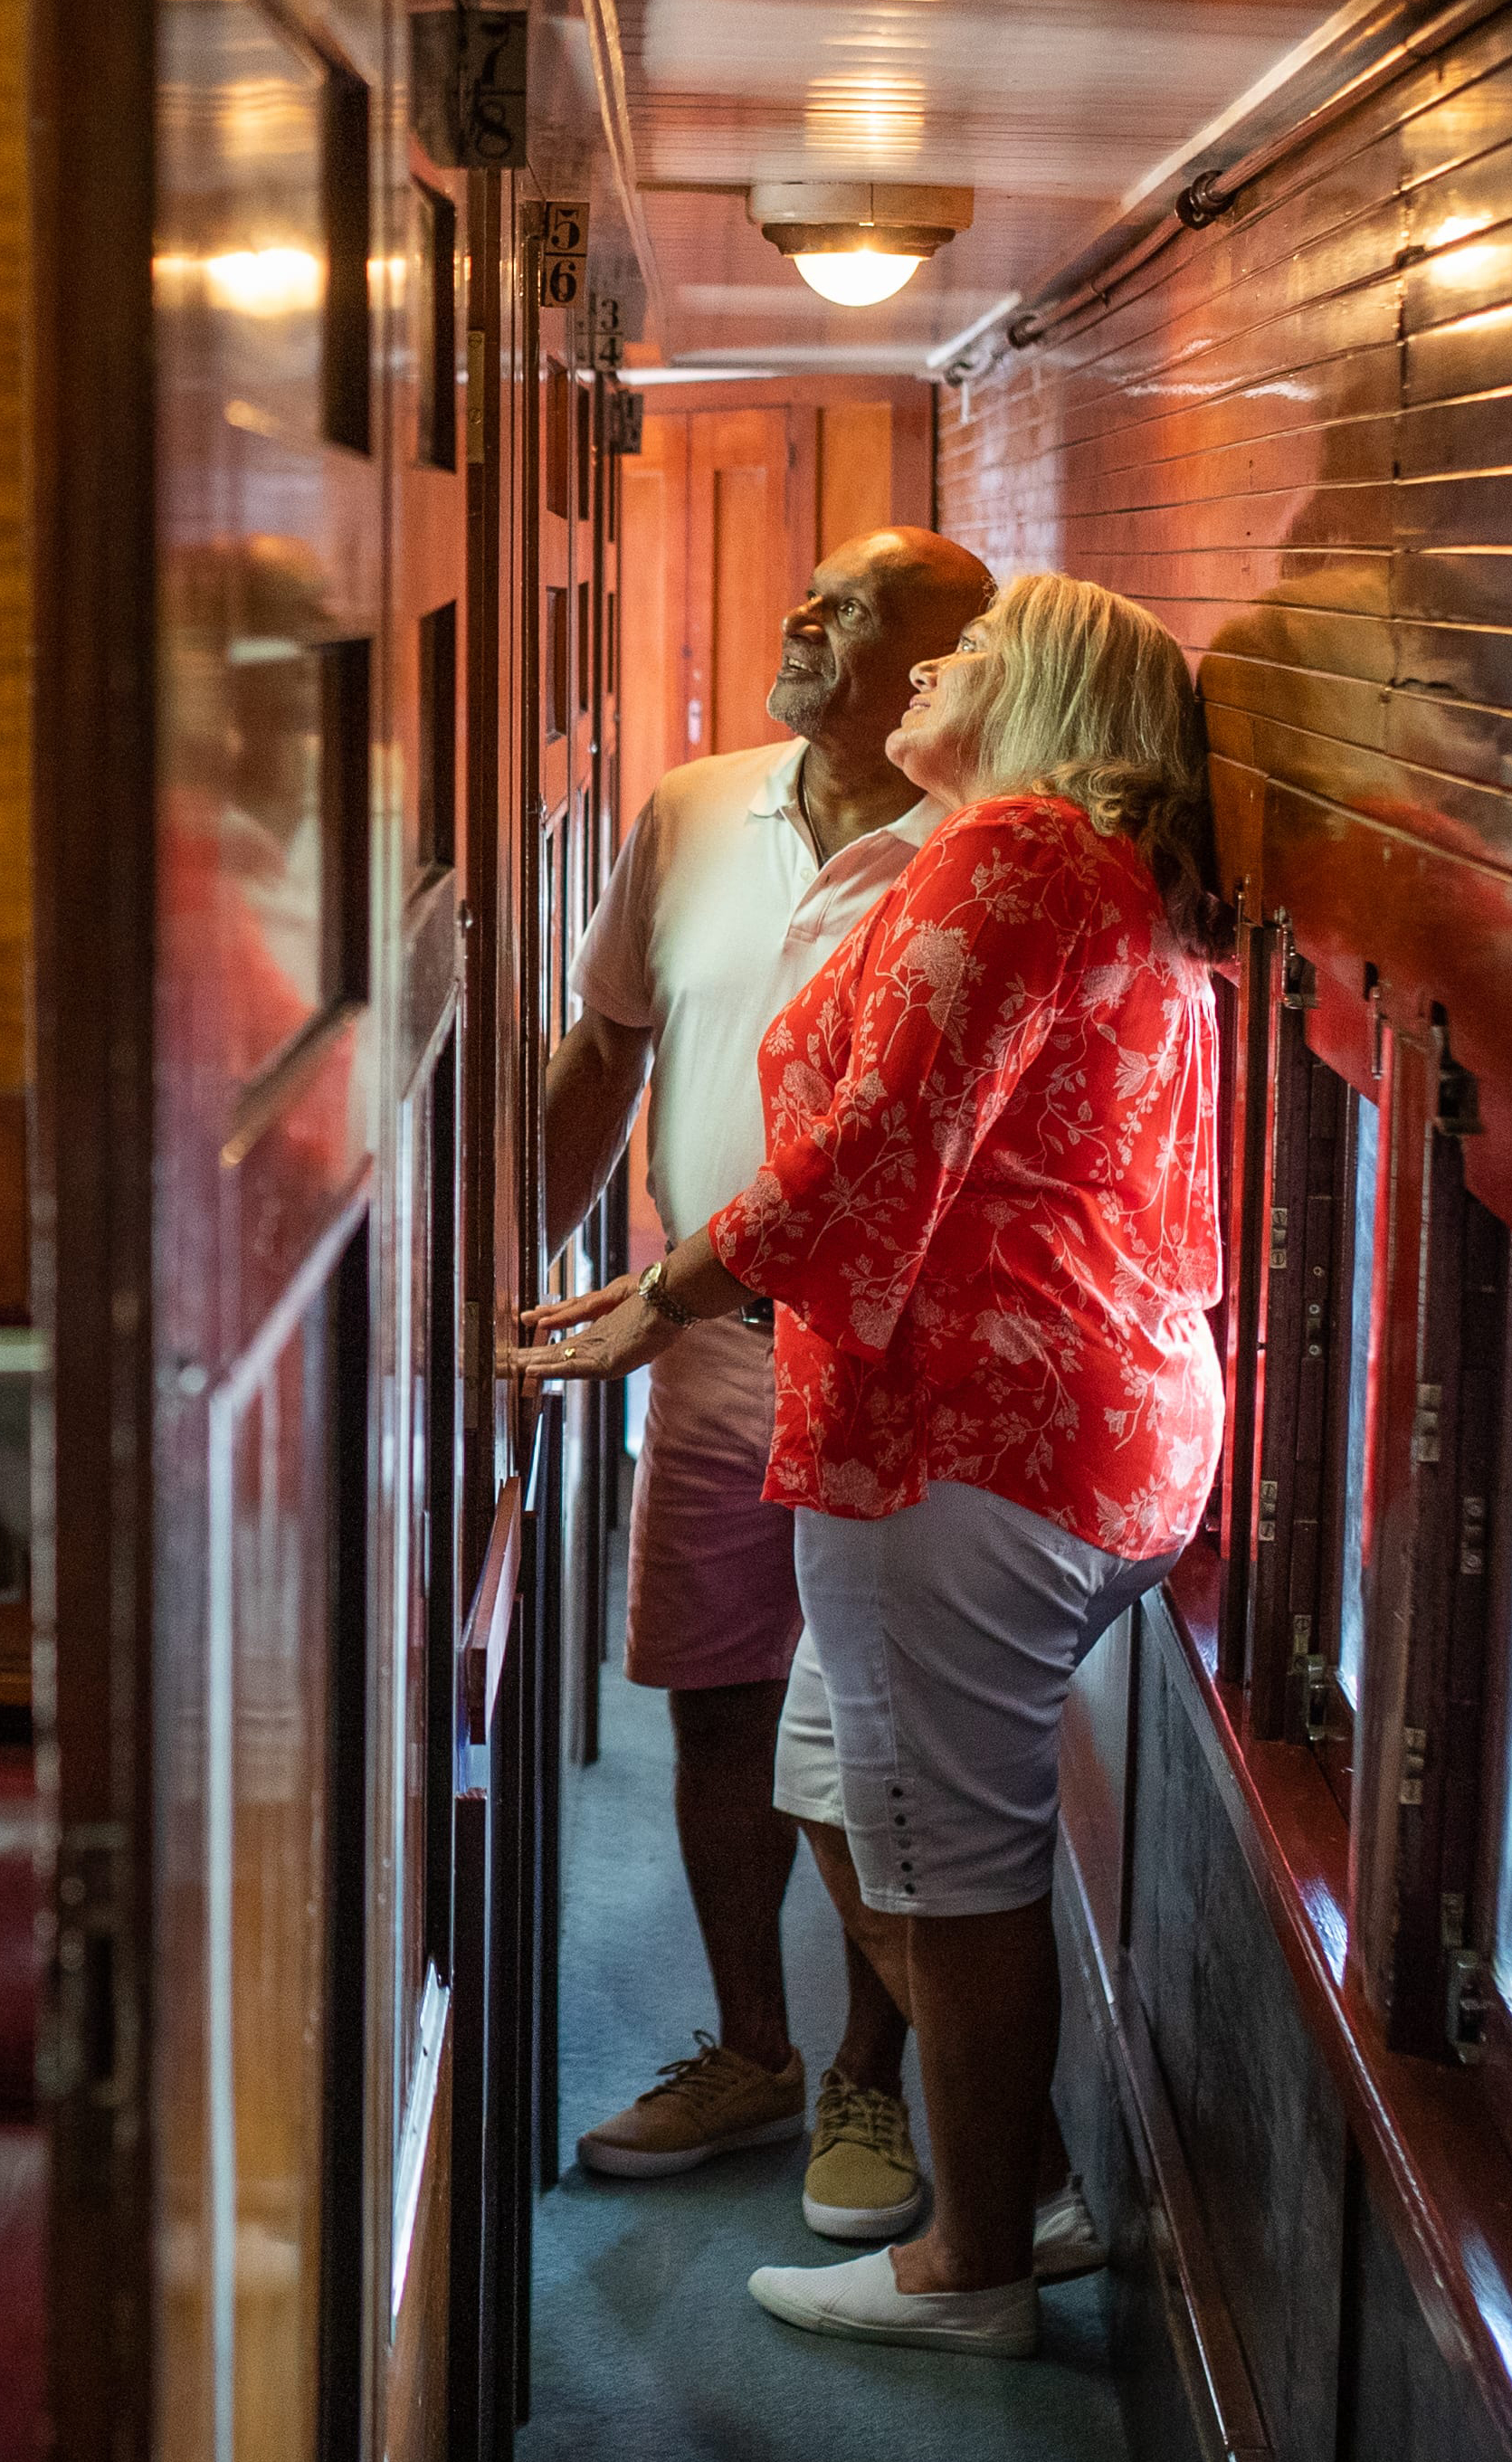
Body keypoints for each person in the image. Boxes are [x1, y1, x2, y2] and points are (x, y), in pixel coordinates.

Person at [508, 572, 1229, 2361]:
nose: (928, 668)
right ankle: (1021, 2173)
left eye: (966, 652)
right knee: (842, 1777)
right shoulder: (1065, 867)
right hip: (1062, 1417)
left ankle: (968, 2261)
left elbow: (863, 1157)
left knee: (956, 1858)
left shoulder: (1014, 861)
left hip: (964, 1440)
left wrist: (651, 1299)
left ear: (1046, 688)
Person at [546, 527, 991, 2246]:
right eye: (809, 592)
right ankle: (751, 2045)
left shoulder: (978, 849)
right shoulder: (688, 806)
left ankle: (870, 2076)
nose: (805, 619)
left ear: (946, 666)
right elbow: (606, 1050)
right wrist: (499, 1263)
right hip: (706, 1348)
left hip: (894, 1366)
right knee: (719, 1701)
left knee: (873, 1738)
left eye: (857, 609)